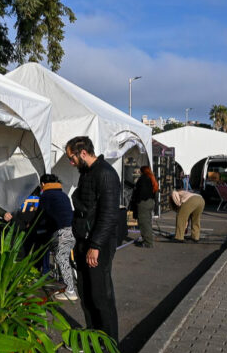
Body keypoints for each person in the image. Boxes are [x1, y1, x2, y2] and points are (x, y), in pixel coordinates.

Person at [66, 136, 120, 341]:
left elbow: (109, 214)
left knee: (100, 295)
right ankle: (93, 337)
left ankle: (109, 344)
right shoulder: (86, 173)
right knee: (86, 293)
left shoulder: (106, 174)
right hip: (83, 240)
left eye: (71, 158)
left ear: (83, 153)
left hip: (99, 243)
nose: (71, 163)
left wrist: (95, 245)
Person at [36, 174, 77, 301]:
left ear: (43, 184)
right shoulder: (62, 194)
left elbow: (40, 216)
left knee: (61, 258)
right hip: (72, 230)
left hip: (62, 231)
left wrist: (31, 225)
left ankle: (70, 291)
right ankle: (65, 285)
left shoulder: (46, 195)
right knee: (62, 257)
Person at [131, 166, 159, 248]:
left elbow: (141, 192)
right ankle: (148, 240)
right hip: (150, 202)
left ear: (142, 171)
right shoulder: (151, 178)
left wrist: (137, 201)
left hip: (144, 203)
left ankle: (148, 242)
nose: (138, 172)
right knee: (147, 222)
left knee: (144, 223)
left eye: (139, 171)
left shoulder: (143, 179)